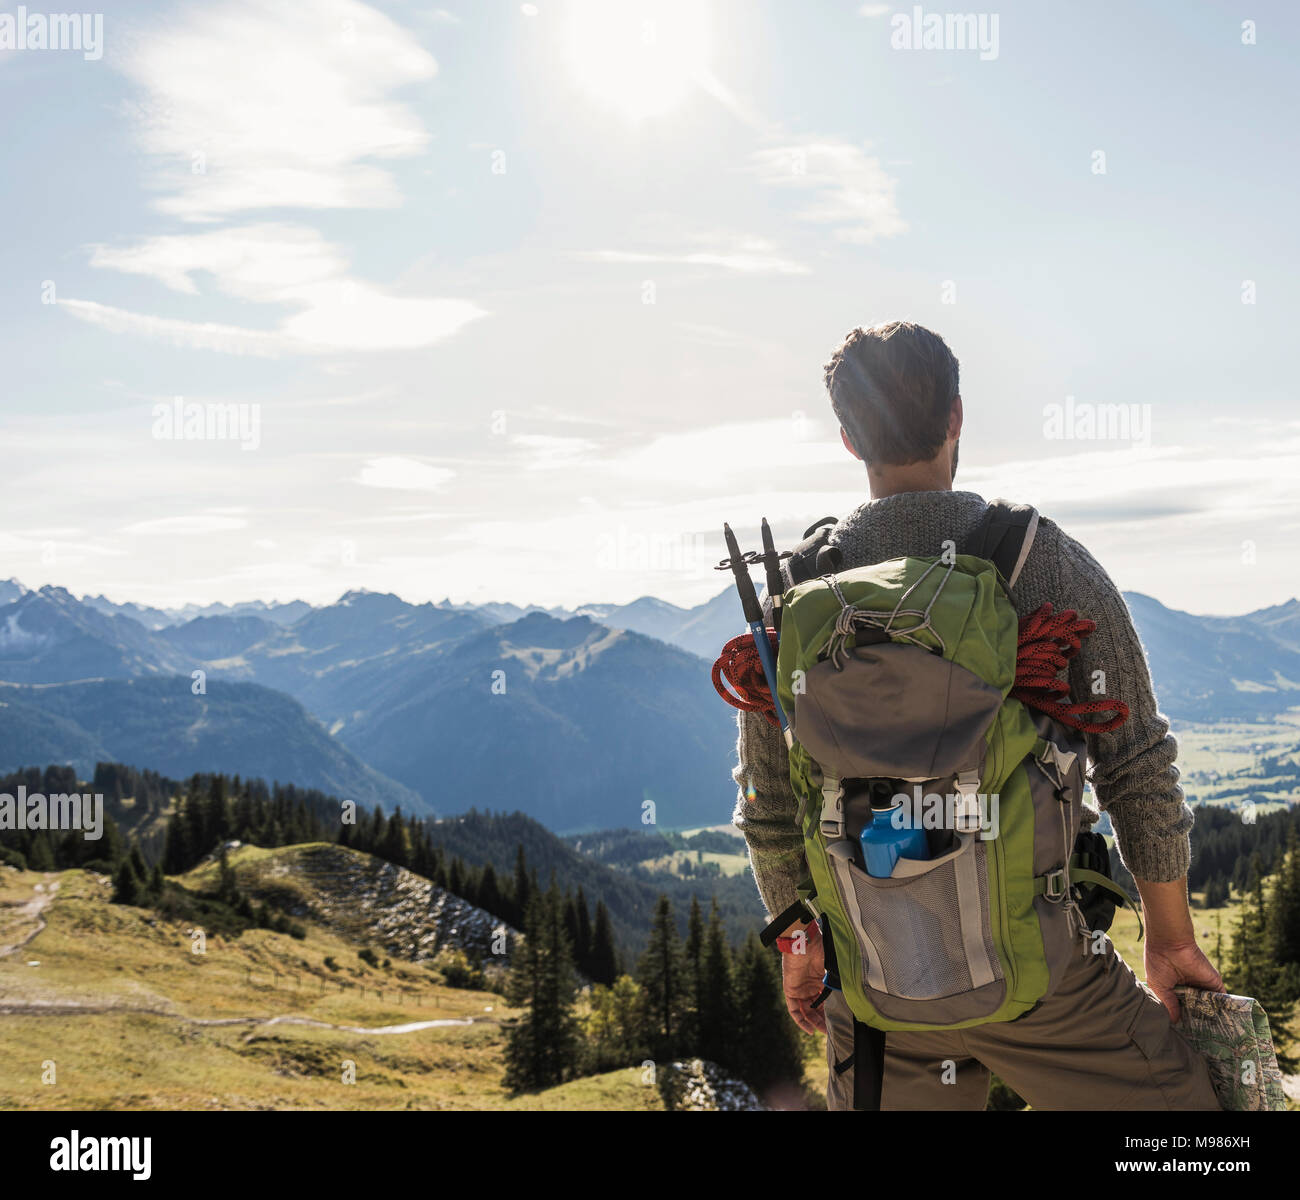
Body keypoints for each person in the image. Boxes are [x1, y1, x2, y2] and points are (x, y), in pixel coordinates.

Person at [732, 320, 1223, 1110]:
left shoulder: (797, 599)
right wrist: (1170, 941)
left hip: (878, 996)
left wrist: (800, 945)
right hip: (1047, 988)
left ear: (850, 440)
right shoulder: (1038, 562)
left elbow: (767, 803)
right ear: (957, 417)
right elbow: (1135, 762)